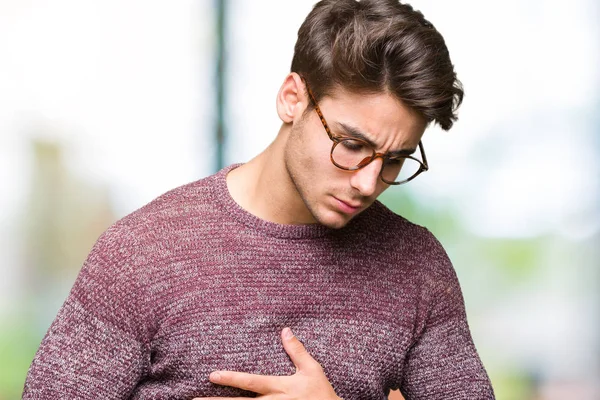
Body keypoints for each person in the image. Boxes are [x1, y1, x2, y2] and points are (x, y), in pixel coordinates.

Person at [23, 0, 495, 399]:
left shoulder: (415, 265)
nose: (369, 183)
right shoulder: (143, 254)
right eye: (351, 145)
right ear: (293, 98)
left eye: (394, 160)